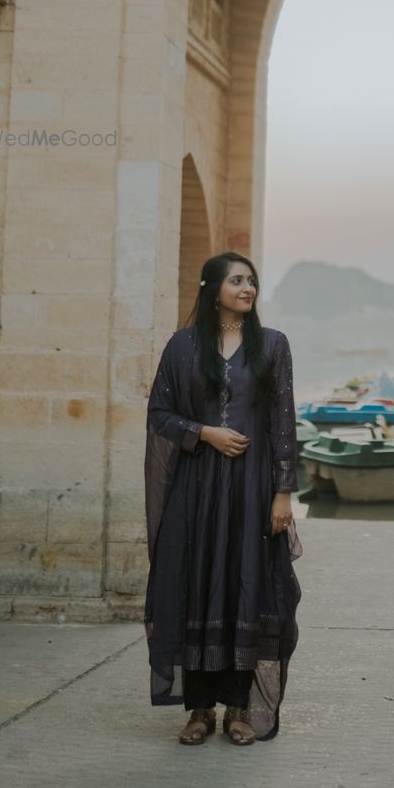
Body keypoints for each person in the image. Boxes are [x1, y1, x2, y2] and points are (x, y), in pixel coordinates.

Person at [143, 251, 302, 745]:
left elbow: (283, 424)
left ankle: (239, 707)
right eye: (237, 281)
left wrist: (282, 494)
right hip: (195, 490)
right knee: (195, 584)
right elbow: (160, 413)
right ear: (213, 289)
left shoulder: (271, 346)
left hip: (252, 491)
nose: (247, 289)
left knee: (246, 586)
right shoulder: (183, 347)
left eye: (251, 281)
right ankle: (199, 709)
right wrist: (205, 433)